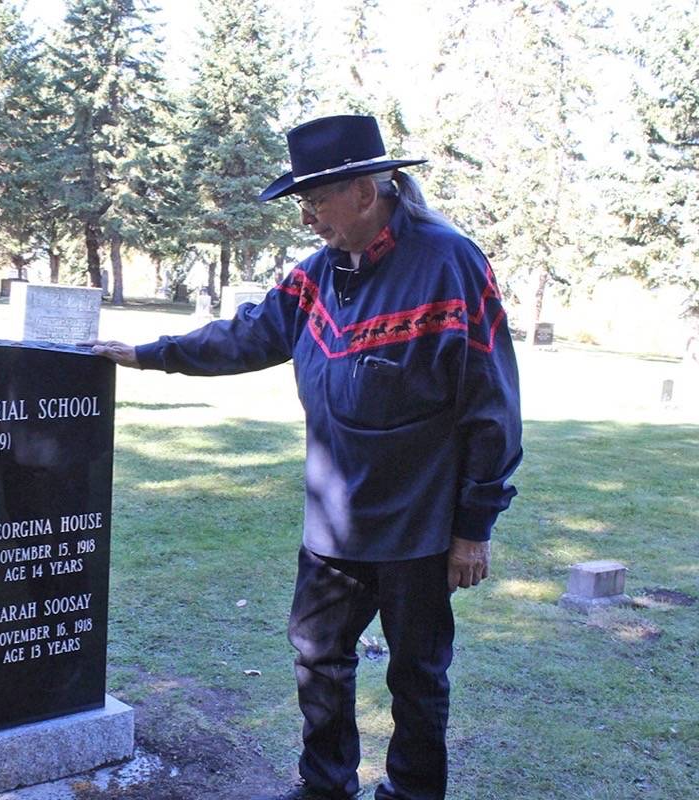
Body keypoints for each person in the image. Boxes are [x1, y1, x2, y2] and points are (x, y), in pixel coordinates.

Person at [89, 115, 522, 800]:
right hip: (334, 522)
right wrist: (146, 355)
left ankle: (411, 793)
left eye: (316, 200)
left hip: (419, 526)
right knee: (317, 657)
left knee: (416, 674)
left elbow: (490, 404)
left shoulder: (448, 264)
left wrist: (474, 526)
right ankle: (324, 787)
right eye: (303, 202)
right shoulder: (316, 277)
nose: (309, 217)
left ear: (365, 190)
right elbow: (247, 337)